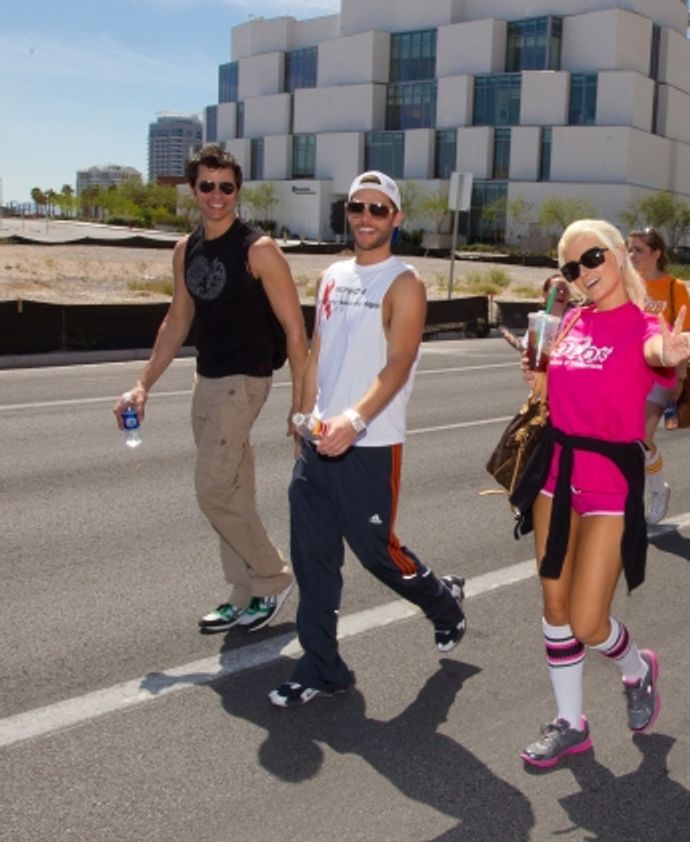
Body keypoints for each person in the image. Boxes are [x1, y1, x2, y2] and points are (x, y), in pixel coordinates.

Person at [268, 171, 466, 707]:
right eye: (359, 206)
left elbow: (399, 363)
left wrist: (353, 422)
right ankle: (323, 668)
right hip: (318, 443)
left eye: (380, 209)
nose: (367, 217)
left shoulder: (405, 283)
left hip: (370, 444)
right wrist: (303, 415)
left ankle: (443, 601)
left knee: (378, 554)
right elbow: (315, 351)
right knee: (312, 560)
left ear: (396, 219)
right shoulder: (331, 275)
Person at [516, 219, 690, 768]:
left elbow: (659, 353)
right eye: (571, 268)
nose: (583, 274)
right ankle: (571, 722)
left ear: (619, 254)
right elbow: (549, 387)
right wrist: (536, 377)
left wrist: (672, 349)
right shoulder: (566, 323)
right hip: (556, 474)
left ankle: (636, 669)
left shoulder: (643, 324)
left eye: (592, 258)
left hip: (610, 484)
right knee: (554, 603)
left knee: (589, 622)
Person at [113, 144, 306, 635]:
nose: (216, 196)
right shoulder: (187, 249)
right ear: (193, 190)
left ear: (237, 191)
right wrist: (142, 385)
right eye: (207, 186)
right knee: (233, 489)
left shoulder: (258, 250)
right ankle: (244, 593)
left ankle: (274, 577)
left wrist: (302, 404)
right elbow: (178, 320)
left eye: (226, 187)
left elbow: (294, 330)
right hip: (207, 380)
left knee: (212, 488)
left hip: (245, 382)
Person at [628, 226, 690, 525]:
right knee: (624, 439)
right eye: (629, 249)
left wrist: (680, 377)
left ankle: (658, 491)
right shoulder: (626, 285)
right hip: (628, 373)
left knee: (642, 437)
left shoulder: (674, 287)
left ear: (656, 253)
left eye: (639, 250)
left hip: (661, 373)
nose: (632, 256)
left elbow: (683, 335)